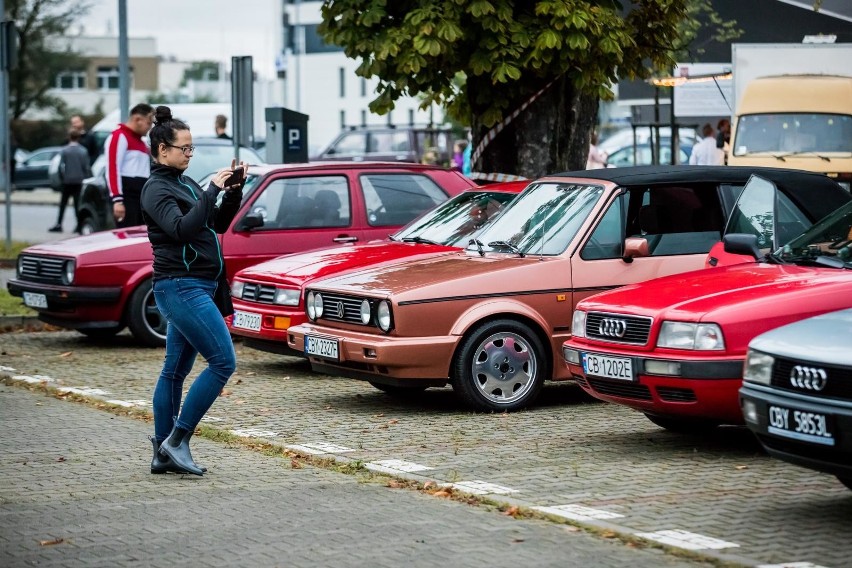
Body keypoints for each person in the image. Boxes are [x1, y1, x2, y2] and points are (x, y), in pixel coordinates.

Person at [141, 105, 247, 476]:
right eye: (183, 148)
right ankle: (177, 440)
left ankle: (161, 452)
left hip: (197, 285)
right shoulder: (155, 189)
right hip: (180, 287)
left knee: (175, 369)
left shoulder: (183, 183)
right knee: (223, 362)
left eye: (191, 148)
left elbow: (214, 224)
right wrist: (210, 189)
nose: (189, 154)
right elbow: (183, 229)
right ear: (162, 150)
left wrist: (231, 192)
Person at [105, 103, 154, 228]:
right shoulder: (119, 136)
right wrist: (117, 200)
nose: (149, 127)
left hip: (141, 196)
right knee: (128, 235)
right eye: (148, 123)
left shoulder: (141, 142)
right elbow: (112, 169)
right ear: (137, 119)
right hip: (127, 196)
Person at [49, 129, 92, 233]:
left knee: (63, 204)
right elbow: (86, 167)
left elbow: (60, 166)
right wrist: (88, 178)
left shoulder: (64, 150)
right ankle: (79, 225)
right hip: (79, 181)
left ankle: (59, 224)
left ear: (69, 137)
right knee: (77, 204)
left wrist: (62, 178)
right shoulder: (83, 151)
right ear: (78, 138)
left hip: (67, 181)